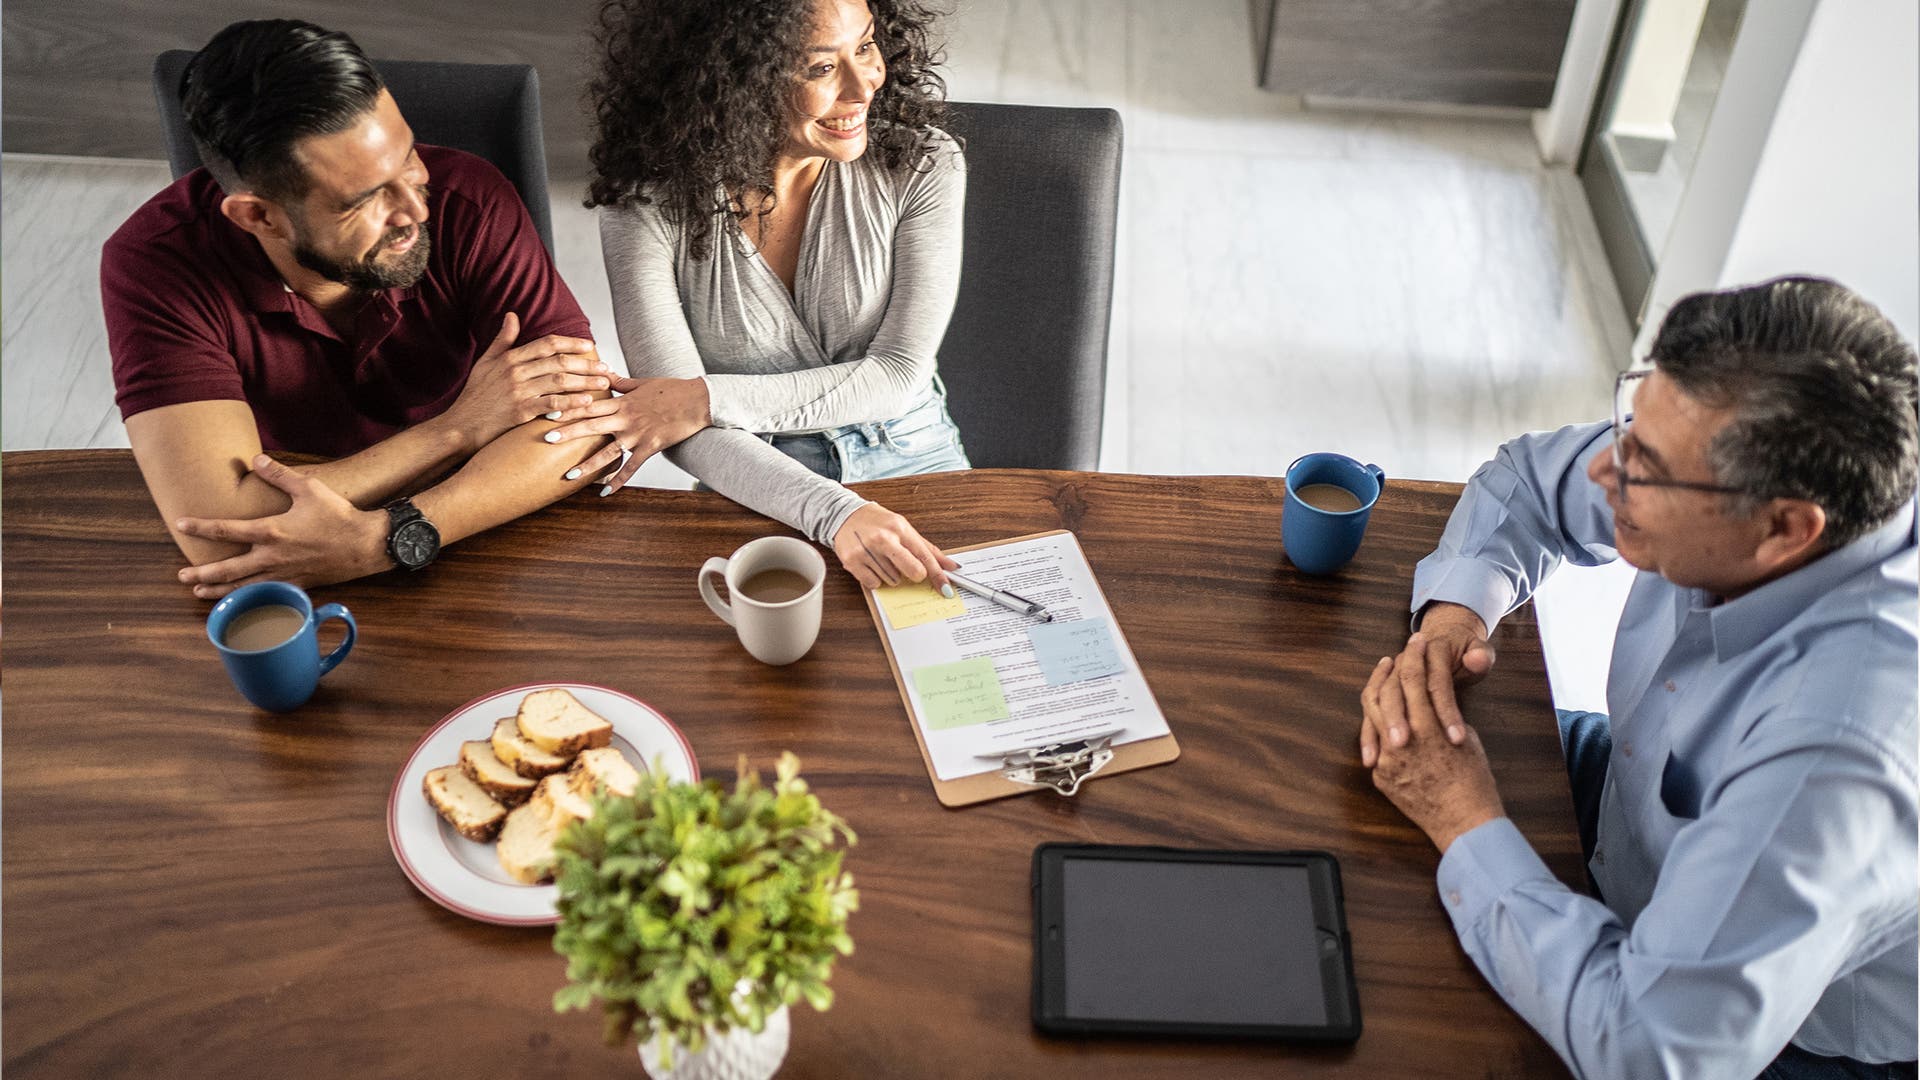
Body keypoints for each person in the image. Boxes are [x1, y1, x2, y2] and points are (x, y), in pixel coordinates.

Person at [1358, 277, 1918, 1079]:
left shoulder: (1837, 754)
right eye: (1630, 423)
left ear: (1785, 530)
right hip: (1634, 802)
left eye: (1644, 467)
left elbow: (1647, 1049)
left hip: (1772, 1036)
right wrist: (1455, 621)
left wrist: (1461, 818)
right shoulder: (1736, 468)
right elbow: (1525, 481)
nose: (1604, 472)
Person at [104, 19, 701, 598]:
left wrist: (386, 539)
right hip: (309, 547)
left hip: (461, 522)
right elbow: (221, 537)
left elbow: (587, 428)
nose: (415, 210)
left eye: (407, 159)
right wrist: (457, 429)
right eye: (364, 199)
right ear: (259, 216)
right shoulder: (151, 264)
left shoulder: (469, 198)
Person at [549, 0, 967, 592]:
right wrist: (835, 512)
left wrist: (703, 399)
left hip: (913, 455)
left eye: (867, 47)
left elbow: (899, 375)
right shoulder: (644, 203)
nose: (863, 86)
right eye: (821, 68)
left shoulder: (924, 163)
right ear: (734, 78)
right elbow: (681, 429)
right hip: (753, 481)